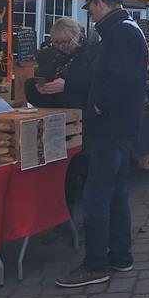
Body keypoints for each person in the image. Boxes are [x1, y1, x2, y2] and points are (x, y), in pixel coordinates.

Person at [56, 0, 147, 288]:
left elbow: (124, 77)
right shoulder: (124, 28)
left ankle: (96, 264)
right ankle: (120, 256)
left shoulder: (120, 32)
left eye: (92, 7)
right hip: (119, 126)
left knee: (97, 196)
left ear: (102, 5)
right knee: (117, 193)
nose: (90, 13)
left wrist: (100, 102)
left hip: (110, 126)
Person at [24, 17, 97, 211]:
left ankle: (86, 215)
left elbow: (94, 87)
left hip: (81, 123)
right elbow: (37, 81)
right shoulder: (49, 56)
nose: (61, 46)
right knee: (61, 174)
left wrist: (67, 86)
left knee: (82, 168)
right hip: (55, 120)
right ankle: (63, 213)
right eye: (57, 41)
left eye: (65, 41)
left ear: (76, 36)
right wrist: (37, 88)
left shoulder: (90, 56)